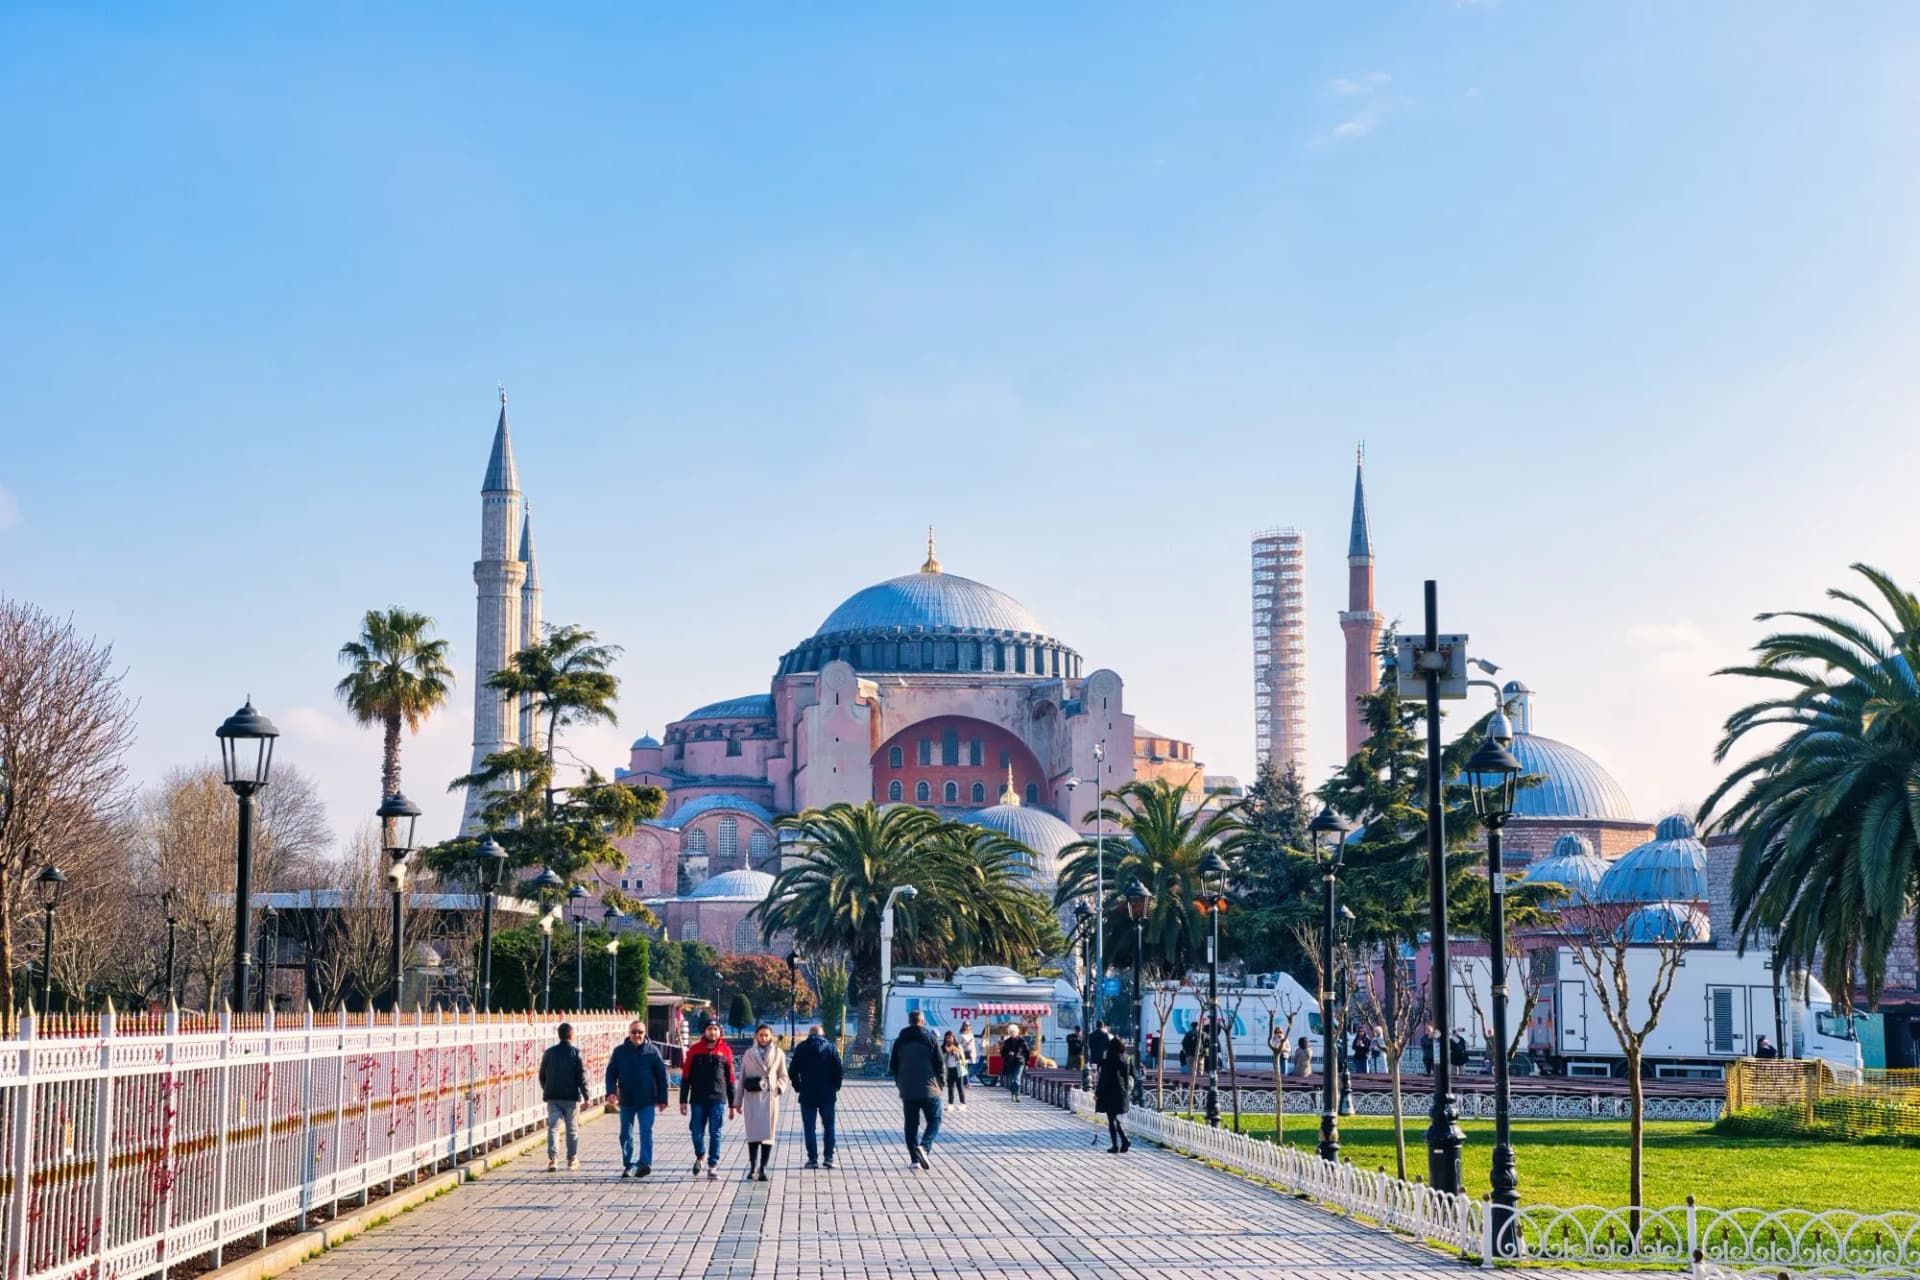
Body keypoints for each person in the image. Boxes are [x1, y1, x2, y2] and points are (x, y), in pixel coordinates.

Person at [605, 1019, 670, 1178]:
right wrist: (611, 1092)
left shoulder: (652, 1051)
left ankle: (644, 1163)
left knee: (646, 1131)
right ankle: (628, 1164)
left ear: (645, 1033)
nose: (637, 1035)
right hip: (627, 1100)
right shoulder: (620, 1051)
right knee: (625, 1134)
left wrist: (663, 1099)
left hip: (647, 1100)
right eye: (634, 1032)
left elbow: (661, 1077)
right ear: (629, 1034)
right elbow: (611, 1073)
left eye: (640, 1032)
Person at [679, 1020, 737, 1181]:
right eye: (710, 1029)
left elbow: (731, 1079)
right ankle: (700, 1155)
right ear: (704, 1031)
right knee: (696, 1131)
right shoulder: (694, 1050)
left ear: (720, 1032)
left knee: (715, 1132)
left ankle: (713, 1165)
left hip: (718, 1098)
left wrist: (733, 1105)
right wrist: (683, 1101)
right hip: (697, 1098)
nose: (712, 1032)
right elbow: (686, 1076)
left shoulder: (725, 1051)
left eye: (715, 1029)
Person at [890, 1009, 943, 1169]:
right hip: (929, 1088)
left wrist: (900, 1083)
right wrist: (941, 1083)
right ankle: (924, 1147)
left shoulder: (900, 1041)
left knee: (911, 1125)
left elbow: (893, 1065)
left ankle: (915, 1160)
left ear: (909, 1021)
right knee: (934, 1119)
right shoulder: (930, 1039)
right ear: (922, 1021)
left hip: (908, 1089)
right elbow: (939, 1064)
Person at [736, 1023, 788, 1182]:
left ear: (771, 1036)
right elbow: (742, 1077)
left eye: (766, 1035)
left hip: (770, 1098)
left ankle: (763, 1167)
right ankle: (753, 1167)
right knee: (753, 1135)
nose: (764, 1038)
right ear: (756, 1036)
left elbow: (783, 1076)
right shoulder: (749, 1053)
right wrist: (737, 1101)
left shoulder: (778, 1053)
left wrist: (778, 1088)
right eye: (761, 1035)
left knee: (768, 1134)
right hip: (752, 1097)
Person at [788, 1023, 843, 1169]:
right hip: (827, 1094)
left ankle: (812, 1159)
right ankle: (829, 1158)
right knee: (829, 1126)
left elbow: (792, 1071)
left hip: (807, 1093)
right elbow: (838, 1069)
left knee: (809, 1128)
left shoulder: (801, 1048)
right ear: (822, 1034)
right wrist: (836, 1086)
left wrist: (798, 1087)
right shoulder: (831, 1048)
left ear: (809, 1034)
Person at [538, 1021, 591, 1172]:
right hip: (571, 1097)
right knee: (572, 1129)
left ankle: (553, 1159)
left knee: (553, 1128)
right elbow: (581, 1077)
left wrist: (546, 1088)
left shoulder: (549, 1053)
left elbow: (542, 1074)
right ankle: (572, 1159)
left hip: (553, 1097)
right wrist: (586, 1096)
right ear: (571, 1035)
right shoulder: (576, 1053)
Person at [1093, 1037, 1135, 1153]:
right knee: (1113, 1117)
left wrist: (1098, 1093)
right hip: (1122, 1092)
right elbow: (1132, 1075)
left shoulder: (1109, 1060)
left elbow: (1104, 1079)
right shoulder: (1127, 1059)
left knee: (1111, 1119)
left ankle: (1115, 1145)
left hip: (1110, 1093)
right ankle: (1124, 1141)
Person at [1000, 1024, 1032, 1102]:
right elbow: (1002, 1053)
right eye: (1010, 1032)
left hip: (1019, 1062)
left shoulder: (1022, 1041)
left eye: (1013, 1032)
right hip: (1010, 1062)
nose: (1012, 1033)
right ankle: (1013, 1094)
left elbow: (1027, 1053)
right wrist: (1008, 1053)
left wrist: (1027, 1063)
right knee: (1011, 1080)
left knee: (1017, 1078)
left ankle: (1017, 1095)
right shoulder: (1007, 1042)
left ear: (1017, 1032)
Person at [941, 1030, 969, 1108]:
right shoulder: (943, 1047)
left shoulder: (957, 1046)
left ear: (953, 1038)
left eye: (950, 1038)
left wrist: (954, 1050)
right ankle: (950, 1104)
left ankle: (963, 1103)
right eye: (947, 1038)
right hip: (949, 1069)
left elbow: (962, 1056)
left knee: (960, 1086)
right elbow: (941, 1057)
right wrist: (946, 1051)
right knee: (950, 1087)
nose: (948, 1040)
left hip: (958, 1069)